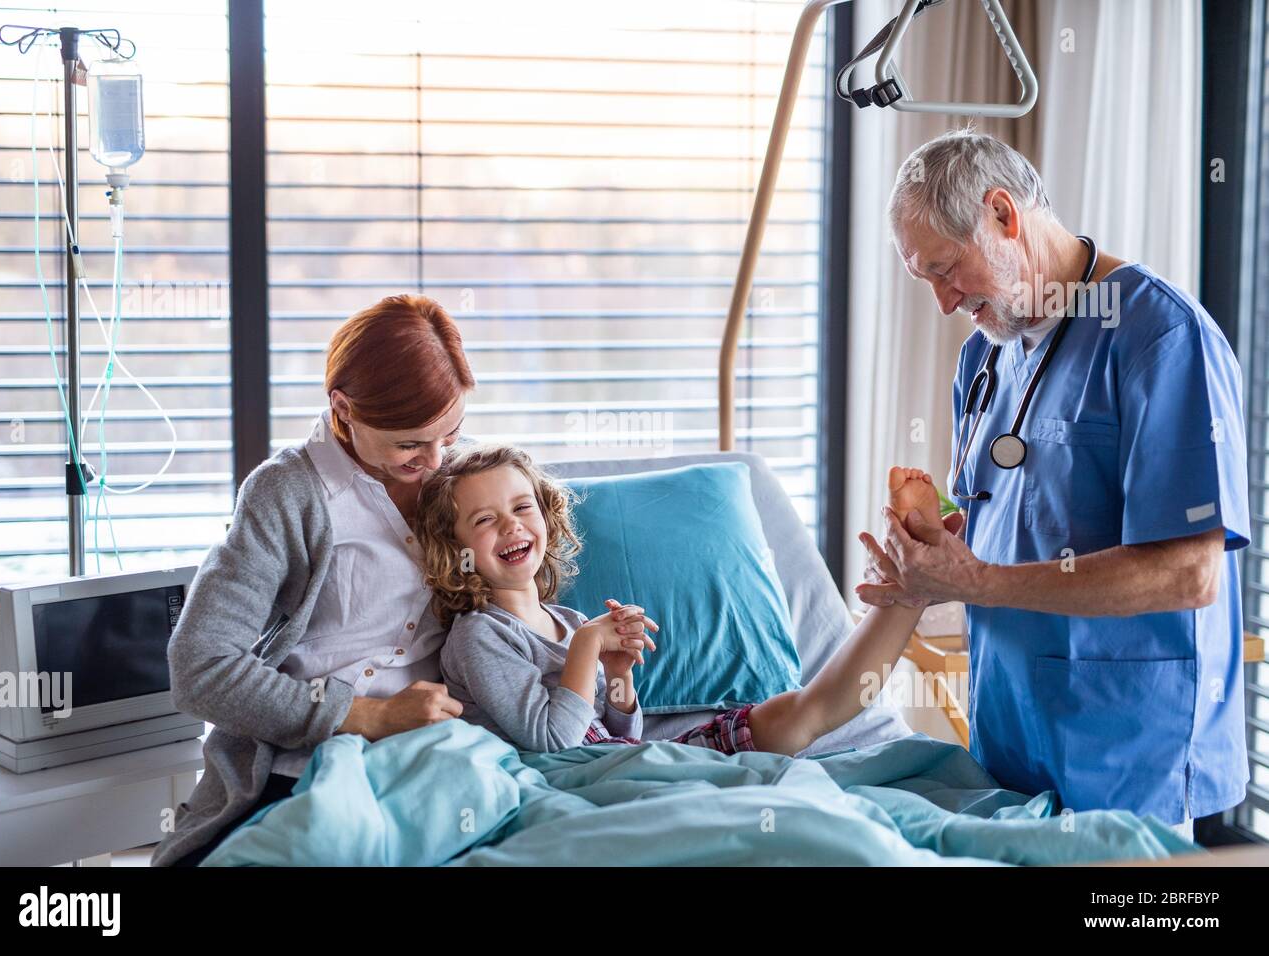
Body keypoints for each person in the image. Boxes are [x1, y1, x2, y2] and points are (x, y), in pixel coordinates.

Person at [153, 294, 643, 867]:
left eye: (450, 435)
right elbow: (200, 669)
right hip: (310, 760)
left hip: (455, 757)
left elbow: (522, 616)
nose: (435, 462)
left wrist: (608, 686)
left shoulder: (456, 486)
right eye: (409, 443)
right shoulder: (287, 495)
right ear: (343, 408)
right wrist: (370, 716)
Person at [857, 130, 1250, 839]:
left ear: (1003, 215)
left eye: (948, 271)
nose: (944, 304)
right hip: (1011, 747)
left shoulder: (1161, 337)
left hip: (1131, 761)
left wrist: (975, 580)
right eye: (927, 283)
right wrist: (926, 558)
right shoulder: (985, 357)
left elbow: (1189, 574)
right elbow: (1012, 516)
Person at [414, 443, 931, 756]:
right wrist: (588, 647)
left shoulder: (565, 618)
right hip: (585, 778)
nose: (510, 525)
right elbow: (554, 742)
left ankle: (908, 582)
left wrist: (619, 677)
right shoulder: (481, 634)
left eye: (522, 506)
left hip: (628, 757)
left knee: (793, 717)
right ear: (453, 547)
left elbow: (619, 731)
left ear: (545, 518)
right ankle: (908, 589)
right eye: (484, 520)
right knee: (800, 720)